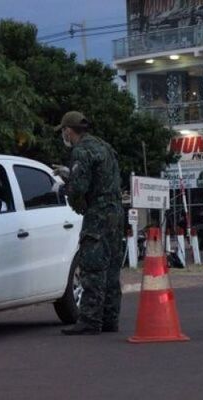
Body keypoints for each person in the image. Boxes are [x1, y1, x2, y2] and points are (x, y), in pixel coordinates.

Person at [53, 111, 124, 335]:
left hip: (98, 214)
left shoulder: (81, 151)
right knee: (112, 268)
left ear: (68, 130)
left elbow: (80, 189)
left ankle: (90, 321)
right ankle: (110, 319)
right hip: (116, 212)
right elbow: (101, 178)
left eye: (63, 130)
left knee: (93, 266)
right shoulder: (103, 146)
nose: (63, 135)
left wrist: (64, 188)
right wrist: (70, 174)